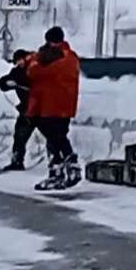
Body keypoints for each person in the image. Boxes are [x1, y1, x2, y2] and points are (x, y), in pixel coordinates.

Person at [24, 26, 81, 190]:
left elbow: (34, 72)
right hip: (66, 107)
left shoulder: (51, 60)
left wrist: (35, 60)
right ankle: (67, 168)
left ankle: (62, 169)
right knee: (59, 136)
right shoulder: (72, 58)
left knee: (55, 138)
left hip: (49, 106)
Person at [0, 48, 35, 172]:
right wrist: (7, 83)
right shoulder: (16, 72)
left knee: (52, 137)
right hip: (26, 109)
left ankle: (56, 162)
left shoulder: (35, 69)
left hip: (40, 108)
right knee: (19, 136)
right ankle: (17, 160)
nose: (20, 63)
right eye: (17, 61)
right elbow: (3, 82)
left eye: (21, 60)